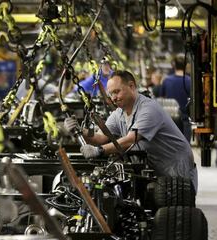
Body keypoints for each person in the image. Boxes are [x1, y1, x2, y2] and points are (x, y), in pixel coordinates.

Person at [64, 70, 197, 192]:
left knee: (177, 216)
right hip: (159, 173)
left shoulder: (148, 109)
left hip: (178, 171)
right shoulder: (119, 113)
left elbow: (130, 140)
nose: (114, 97)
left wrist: (99, 150)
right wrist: (80, 130)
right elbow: (100, 137)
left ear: (132, 86)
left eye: (117, 91)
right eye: (111, 94)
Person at [159, 54, 191, 142]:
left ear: (174, 65)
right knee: (185, 147)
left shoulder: (167, 80)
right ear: (186, 65)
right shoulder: (189, 81)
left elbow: (162, 100)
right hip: (185, 120)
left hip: (170, 120)